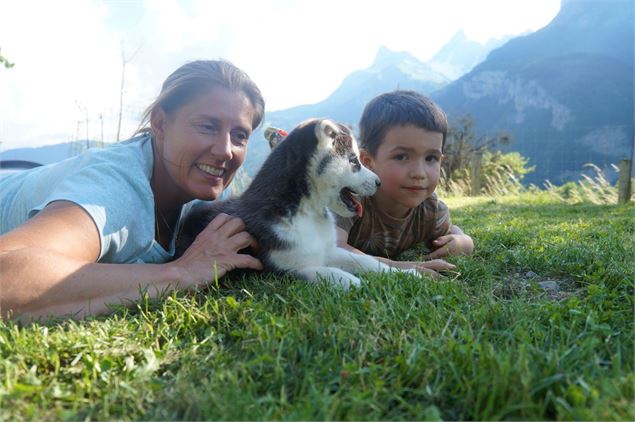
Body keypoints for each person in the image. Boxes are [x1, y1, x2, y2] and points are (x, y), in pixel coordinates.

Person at [0, 59, 265, 320]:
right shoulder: (113, 191)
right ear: (160, 124)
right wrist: (182, 273)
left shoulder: (203, 193)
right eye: (207, 126)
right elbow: (7, 277)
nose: (225, 150)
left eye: (239, 135)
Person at [335, 90, 474, 278]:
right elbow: (333, 250)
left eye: (431, 158)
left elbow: (451, 232)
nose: (419, 172)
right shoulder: (350, 200)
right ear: (367, 161)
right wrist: (398, 267)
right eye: (402, 156)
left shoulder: (431, 210)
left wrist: (463, 242)